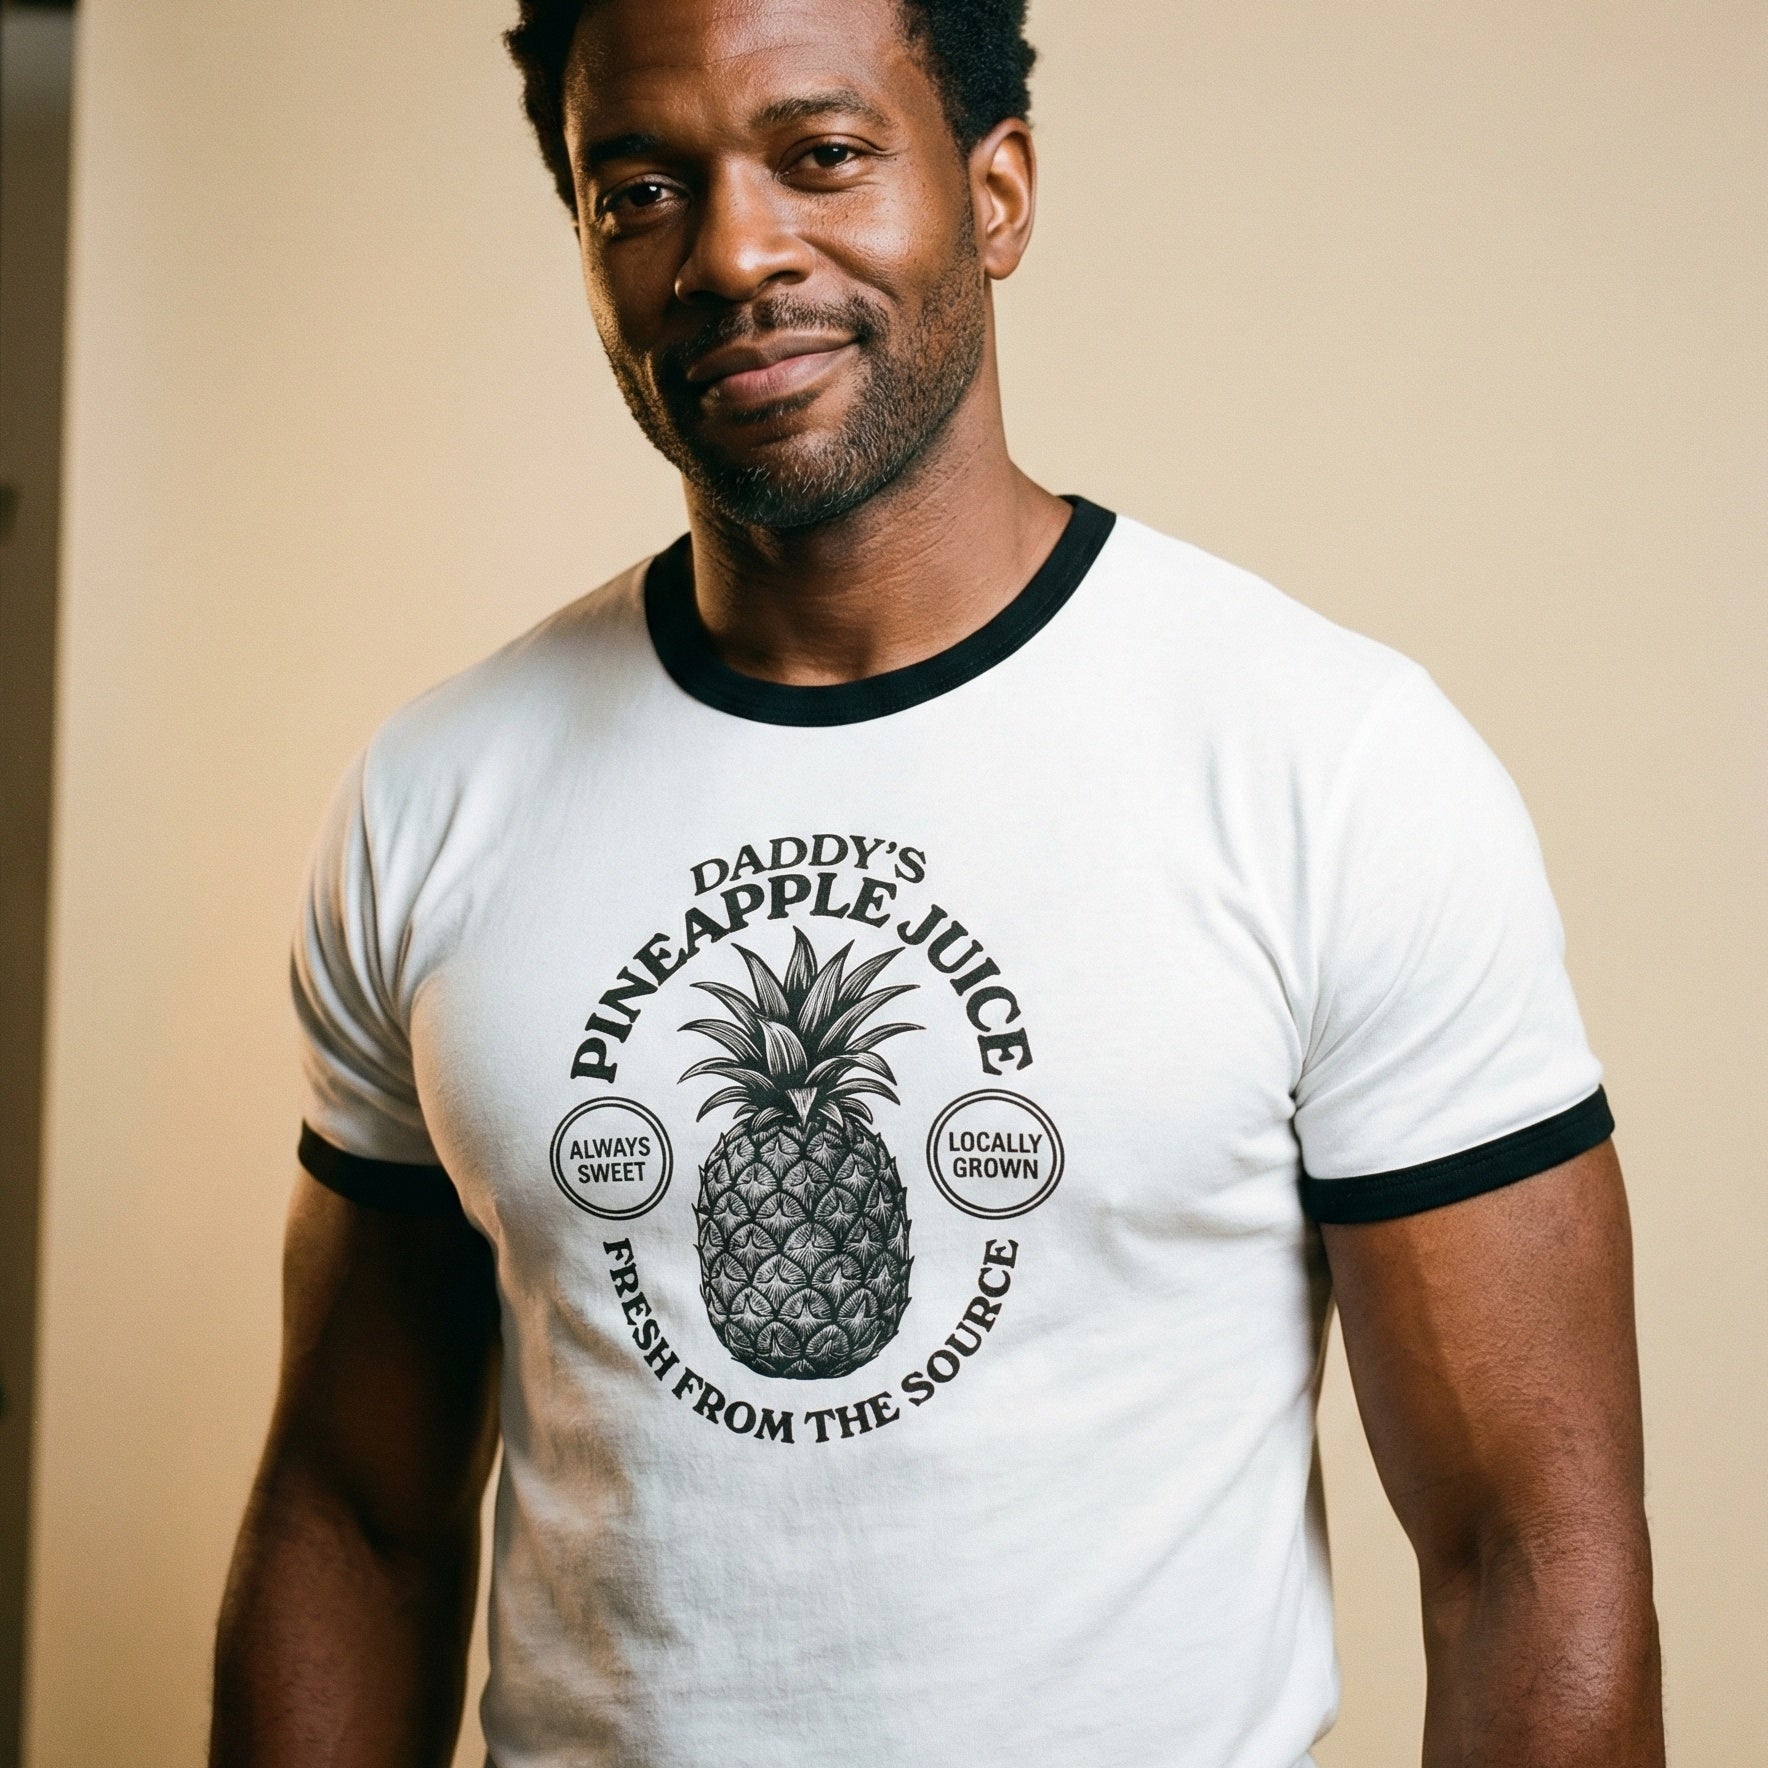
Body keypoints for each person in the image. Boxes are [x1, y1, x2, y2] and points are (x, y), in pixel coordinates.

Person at [210, 0, 1663, 1762]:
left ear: (996, 195)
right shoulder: (435, 795)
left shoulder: (1328, 762)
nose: (734, 251)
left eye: (820, 157)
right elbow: (351, 1518)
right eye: (640, 189)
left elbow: (1534, 1553)